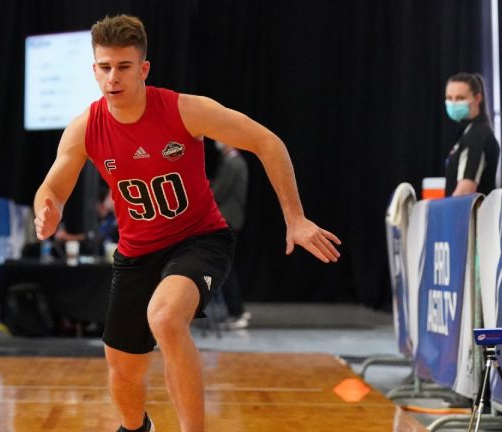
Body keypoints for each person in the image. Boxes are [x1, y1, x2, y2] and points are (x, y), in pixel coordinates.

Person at [33, 15, 341, 432]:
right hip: (136, 253)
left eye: (123, 67)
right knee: (123, 372)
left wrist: (295, 217)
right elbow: (52, 185)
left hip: (198, 240)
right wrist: (46, 207)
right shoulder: (85, 128)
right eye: (105, 67)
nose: (113, 77)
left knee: (164, 317)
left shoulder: (184, 109)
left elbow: (269, 143)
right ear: (94, 70)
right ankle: (136, 427)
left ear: (143, 69)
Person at [210, 140, 250, 329]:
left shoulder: (232, 163)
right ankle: (235, 310)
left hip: (227, 221)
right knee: (225, 267)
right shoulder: (234, 162)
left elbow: (218, 192)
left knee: (225, 268)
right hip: (231, 220)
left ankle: (237, 311)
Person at [443, 73, 501, 197]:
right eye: (449, 97)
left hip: (470, 215)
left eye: (460, 98)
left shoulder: (477, 134)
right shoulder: (470, 131)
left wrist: (447, 215)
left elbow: (465, 191)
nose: (453, 103)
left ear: (477, 98)